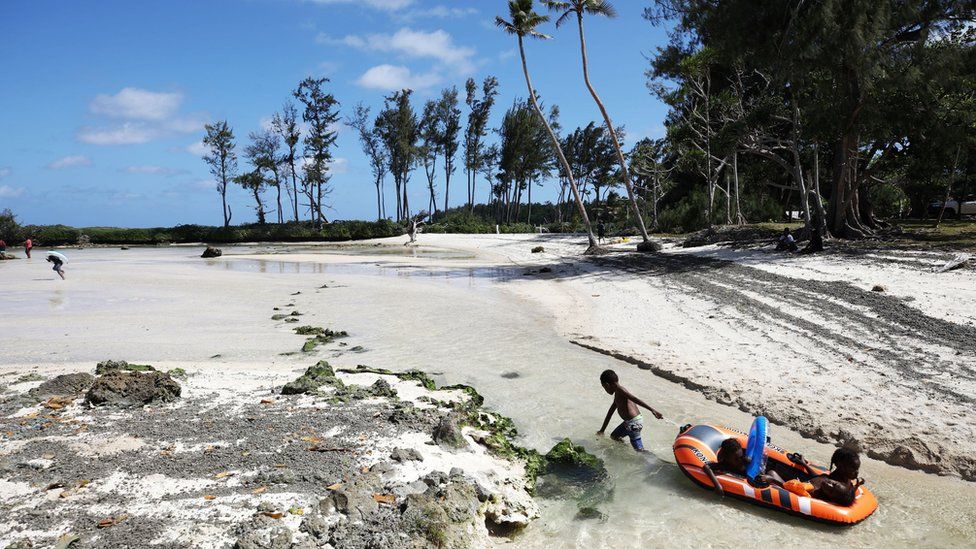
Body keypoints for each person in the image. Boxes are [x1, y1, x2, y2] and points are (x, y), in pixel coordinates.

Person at [596, 369, 664, 452]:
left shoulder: (621, 390)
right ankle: (626, 450)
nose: (605, 390)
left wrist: (652, 410)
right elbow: (610, 412)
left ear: (607, 385)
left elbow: (634, 398)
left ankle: (661, 464)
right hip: (631, 422)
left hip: (633, 424)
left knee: (640, 452)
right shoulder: (617, 393)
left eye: (604, 387)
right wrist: (602, 430)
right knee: (614, 436)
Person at [702, 438, 784, 496]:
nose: (740, 460)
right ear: (727, 459)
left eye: (740, 457)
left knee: (772, 473)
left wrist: (771, 479)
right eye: (736, 459)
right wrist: (717, 485)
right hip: (756, 484)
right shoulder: (724, 465)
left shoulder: (745, 460)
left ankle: (790, 487)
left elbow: (759, 471)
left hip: (767, 477)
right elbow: (706, 467)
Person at [794, 447, 864, 506]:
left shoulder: (837, 484)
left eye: (857, 468)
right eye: (853, 468)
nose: (857, 472)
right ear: (839, 465)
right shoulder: (830, 483)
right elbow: (817, 478)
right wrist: (804, 465)